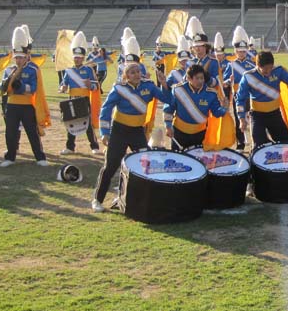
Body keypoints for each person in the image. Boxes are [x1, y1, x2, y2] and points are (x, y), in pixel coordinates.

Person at [93, 37, 170, 212]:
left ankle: (143, 198)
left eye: (138, 71)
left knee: (145, 163)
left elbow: (167, 99)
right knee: (111, 165)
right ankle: (97, 199)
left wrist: (164, 84)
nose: (136, 74)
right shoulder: (119, 88)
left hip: (137, 131)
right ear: (125, 75)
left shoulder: (149, 86)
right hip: (119, 130)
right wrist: (105, 132)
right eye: (132, 72)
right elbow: (106, 109)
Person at [0, 27, 49, 167]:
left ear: (26, 56)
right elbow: (2, 89)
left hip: (27, 105)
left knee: (32, 132)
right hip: (12, 104)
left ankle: (40, 157)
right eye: (17, 57)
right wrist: (5, 84)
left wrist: (20, 86)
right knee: (10, 132)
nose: (19, 60)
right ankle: (10, 156)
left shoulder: (33, 69)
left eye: (21, 57)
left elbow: (33, 88)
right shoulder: (9, 69)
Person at [236, 51, 288, 148]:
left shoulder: (278, 71)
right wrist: (241, 118)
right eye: (265, 69)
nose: (268, 71)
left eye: (270, 67)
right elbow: (240, 99)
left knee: (286, 144)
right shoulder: (248, 77)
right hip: (257, 116)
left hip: (275, 114)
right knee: (259, 147)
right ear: (257, 65)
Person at [163, 64, 228, 151]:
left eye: (202, 78)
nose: (200, 81)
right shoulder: (178, 90)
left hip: (200, 134)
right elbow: (169, 109)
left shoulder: (211, 93)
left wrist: (224, 108)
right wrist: (168, 126)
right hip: (179, 132)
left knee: (198, 161)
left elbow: (216, 113)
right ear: (189, 78)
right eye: (197, 78)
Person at [59, 31, 101, 156]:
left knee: (87, 124)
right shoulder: (69, 70)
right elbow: (62, 84)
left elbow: (95, 86)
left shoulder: (88, 69)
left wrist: (90, 85)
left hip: (84, 99)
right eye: (75, 57)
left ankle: (94, 146)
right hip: (72, 98)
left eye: (78, 57)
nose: (76, 59)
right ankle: (70, 147)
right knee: (70, 123)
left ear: (83, 58)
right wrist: (63, 88)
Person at [225, 27, 257, 150]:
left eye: (243, 51)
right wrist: (229, 81)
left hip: (250, 95)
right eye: (239, 51)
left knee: (252, 118)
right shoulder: (231, 65)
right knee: (239, 118)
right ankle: (240, 142)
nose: (241, 53)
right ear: (235, 51)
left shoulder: (252, 64)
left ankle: (255, 142)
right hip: (237, 95)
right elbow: (225, 82)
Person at [186, 17, 221, 88]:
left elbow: (216, 83)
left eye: (200, 46)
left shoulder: (213, 62)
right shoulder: (189, 62)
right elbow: (185, 80)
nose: (197, 48)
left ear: (206, 46)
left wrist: (206, 76)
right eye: (195, 46)